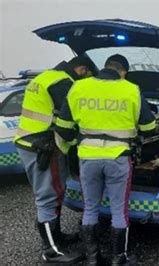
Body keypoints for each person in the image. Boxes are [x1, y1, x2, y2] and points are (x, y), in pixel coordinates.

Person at [55, 54, 157, 265]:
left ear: (105, 67)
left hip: (88, 158)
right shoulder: (131, 89)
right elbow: (149, 128)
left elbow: (63, 128)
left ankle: (93, 258)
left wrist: (79, 142)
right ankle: (119, 258)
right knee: (119, 210)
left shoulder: (79, 88)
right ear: (123, 71)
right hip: (118, 158)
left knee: (90, 207)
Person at [14, 56, 95, 264]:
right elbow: (70, 118)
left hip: (30, 141)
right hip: (43, 145)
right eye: (87, 76)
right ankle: (51, 251)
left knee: (53, 193)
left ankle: (57, 238)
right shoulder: (62, 82)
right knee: (48, 196)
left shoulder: (45, 77)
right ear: (82, 69)